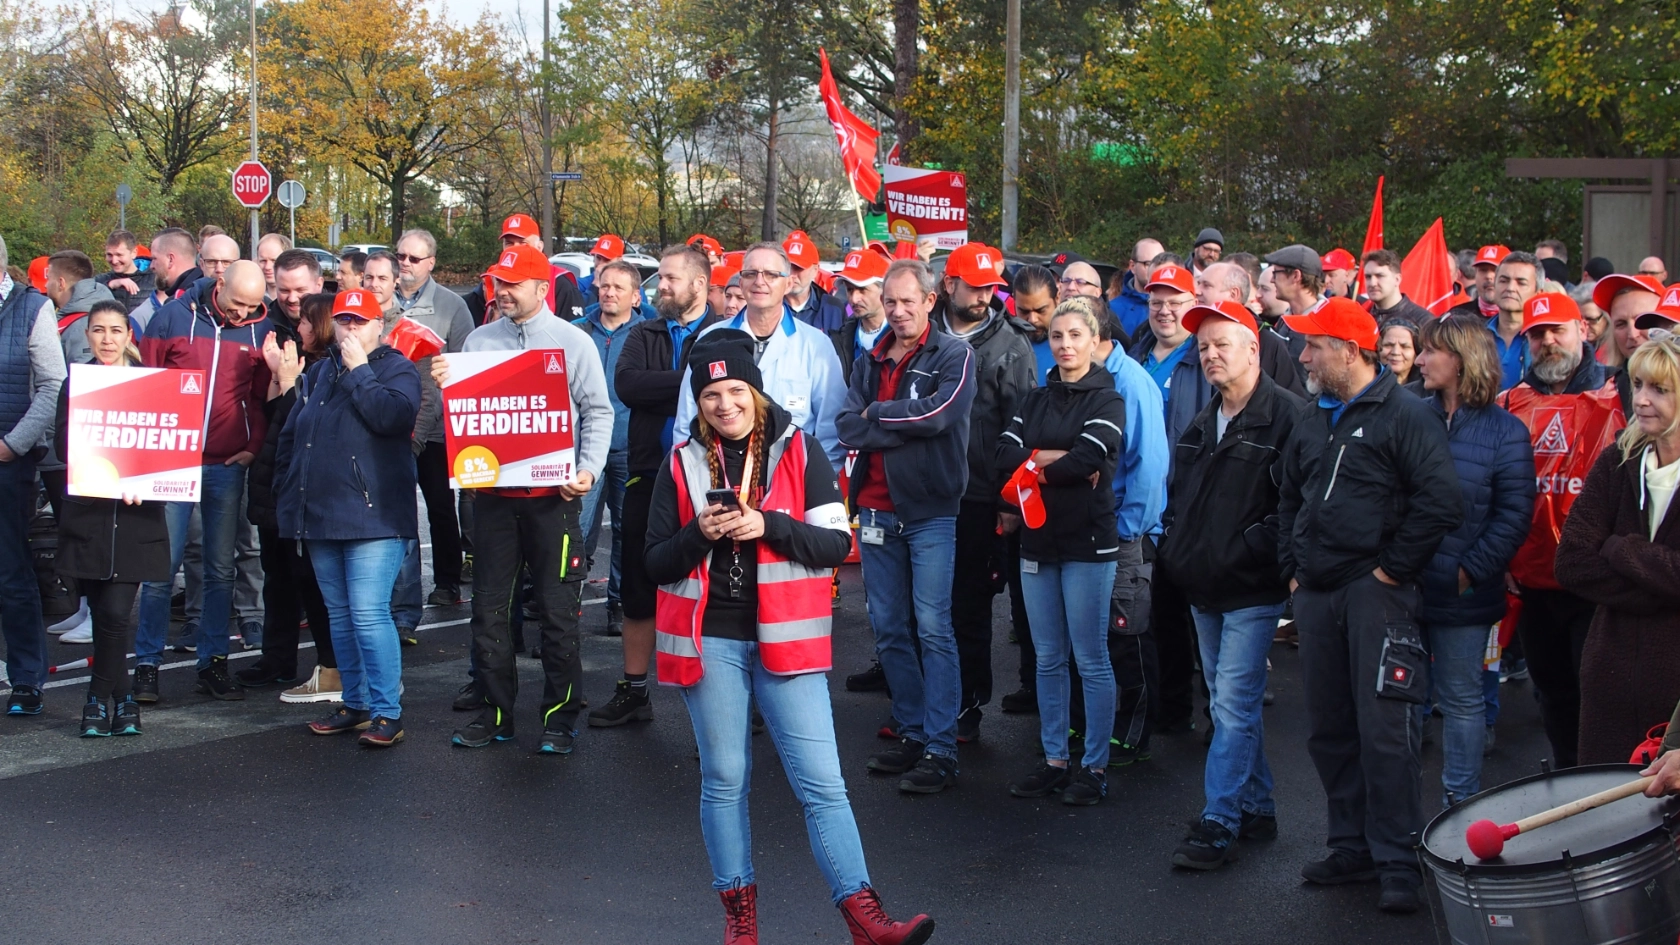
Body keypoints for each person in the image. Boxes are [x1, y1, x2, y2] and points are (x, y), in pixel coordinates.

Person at [644, 331, 933, 945]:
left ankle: (866, 919)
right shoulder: (680, 462)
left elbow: (834, 545)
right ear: (698, 404)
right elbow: (653, 565)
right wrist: (699, 533)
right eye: (712, 396)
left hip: (787, 643)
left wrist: (767, 524)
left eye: (735, 391)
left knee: (824, 785)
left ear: (756, 391)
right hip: (711, 641)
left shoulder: (800, 450)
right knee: (725, 780)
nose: (725, 405)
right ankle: (740, 924)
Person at [1277, 296, 1462, 914]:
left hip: (1374, 593)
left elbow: (1439, 500)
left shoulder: (1405, 415)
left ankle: (1397, 860)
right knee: (1330, 729)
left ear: (1348, 352)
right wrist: (1294, 572)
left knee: (1386, 731)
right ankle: (1349, 846)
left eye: (1314, 345)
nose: (1303, 355)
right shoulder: (1313, 416)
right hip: (1318, 592)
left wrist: (1389, 571)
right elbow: (1288, 498)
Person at [437, 244, 612, 752]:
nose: (503, 292)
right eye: (499, 283)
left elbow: (598, 412)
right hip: (492, 497)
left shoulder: (572, 342)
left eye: (514, 284)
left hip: (552, 498)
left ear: (542, 288)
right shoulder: (478, 340)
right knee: (490, 612)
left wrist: (587, 469)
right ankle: (495, 716)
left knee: (557, 615)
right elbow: (466, 417)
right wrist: (447, 384)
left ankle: (560, 719)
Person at [1161, 299, 1304, 869]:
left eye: (1223, 343)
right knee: (1228, 704)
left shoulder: (1291, 417)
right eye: (1204, 346)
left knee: (1235, 706)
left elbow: (1295, 505)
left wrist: (1251, 549)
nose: (1211, 354)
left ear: (1254, 348)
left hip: (1252, 586)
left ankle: (1219, 818)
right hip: (1203, 584)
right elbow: (1183, 499)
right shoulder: (1203, 420)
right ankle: (1258, 807)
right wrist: (1180, 551)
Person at [836, 258, 977, 795]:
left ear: (929, 300)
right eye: (889, 301)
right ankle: (914, 731)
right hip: (873, 513)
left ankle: (941, 747)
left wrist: (878, 417)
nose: (897, 311)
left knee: (934, 628)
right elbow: (847, 424)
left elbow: (939, 416)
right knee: (891, 629)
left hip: (930, 512)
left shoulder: (954, 353)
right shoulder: (870, 357)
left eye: (906, 301)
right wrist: (889, 419)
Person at [275, 289, 419, 746]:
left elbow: (392, 417)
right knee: (340, 616)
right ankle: (356, 702)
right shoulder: (319, 372)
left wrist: (359, 370)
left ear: (381, 325)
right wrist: (287, 495)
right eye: (343, 321)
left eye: (360, 321)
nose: (350, 329)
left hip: (374, 517)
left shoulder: (396, 367)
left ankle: (386, 711)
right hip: (319, 514)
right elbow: (295, 436)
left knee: (368, 613)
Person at [586, 244, 721, 727]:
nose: (659, 287)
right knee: (640, 582)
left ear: (699, 284)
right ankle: (635, 688)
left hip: (710, 477)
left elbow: (726, 391)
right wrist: (690, 381)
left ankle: (725, 693)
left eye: (669, 279)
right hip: (649, 472)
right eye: (659, 278)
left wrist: (671, 384)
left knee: (717, 586)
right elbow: (627, 386)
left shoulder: (723, 331)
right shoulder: (644, 331)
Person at [999, 298, 1125, 805]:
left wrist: (1036, 464)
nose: (1066, 345)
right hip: (1037, 540)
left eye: (1076, 335)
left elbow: (1089, 459)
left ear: (1094, 341)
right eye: (1057, 336)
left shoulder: (1108, 400)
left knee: (1090, 658)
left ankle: (1093, 766)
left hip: (1089, 543)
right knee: (1048, 657)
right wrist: (1052, 460)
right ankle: (1055, 759)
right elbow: (1003, 457)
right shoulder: (1033, 399)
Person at [135, 260, 271, 703]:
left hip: (226, 462)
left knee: (220, 568)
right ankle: (146, 665)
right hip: (171, 460)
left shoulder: (261, 325)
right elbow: (143, 384)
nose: (243, 314)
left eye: (253, 306)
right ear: (218, 284)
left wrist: (254, 446)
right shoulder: (172, 317)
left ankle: (213, 662)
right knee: (160, 569)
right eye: (237, 304)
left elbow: (262, 393)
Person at [1413, 315, 1535, 804]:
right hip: (1401, 587)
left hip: (1464, 595)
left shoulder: (1506, 431)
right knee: (1401, 703)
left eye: (1430, 352)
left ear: (1461, 361)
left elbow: (1514, 514)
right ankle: (1398, 816)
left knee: (1462, 703)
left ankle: (1457, 810)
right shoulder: (1410, 415)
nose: (1419, 360)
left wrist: (1467, 572)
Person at [1498, 291, 1624, 769]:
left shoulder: (1619, 395)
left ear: (1584, 331)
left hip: (1593, 583)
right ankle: (1568, 775)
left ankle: (1602, 785)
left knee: (1597, 692)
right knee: (1551, 690)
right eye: (1537, 334)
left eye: (1557, 330)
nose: (1548, 342)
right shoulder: (1508, 403)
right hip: (1530, 582)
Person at [1557, 336, 1680, 764]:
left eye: (1660, 390)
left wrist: (1619, 547)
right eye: (1638, 384)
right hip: (1608, 678)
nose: (1642, 400)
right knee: (1606, 818)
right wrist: (1660, 590)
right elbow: (1571, 562)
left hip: (1674, 696)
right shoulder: (1617, 462)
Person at [932, 243, 1035, 743]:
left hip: (977, 498)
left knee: (967, 605)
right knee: (922, 605)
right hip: (924, 492)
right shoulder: (923, 332)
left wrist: (1005, 501)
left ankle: (969, 706)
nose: (984, 297)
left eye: (991, 288)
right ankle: (927, 702)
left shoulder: (1011, 346)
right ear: (948, 284)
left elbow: (1022, 426)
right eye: (974, 287)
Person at [52, 301, 169, 734]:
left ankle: (94, 700)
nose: (106, 339)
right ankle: (123, 702)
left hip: (138, 518)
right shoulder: (75, 383)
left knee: (117, 613)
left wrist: (147, 478)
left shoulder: (152, 385)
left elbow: (167, 448)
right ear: (86, 335)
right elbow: (66, 449)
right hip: (90, 518)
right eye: (98, 330)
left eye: (115, 330)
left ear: (128, 336)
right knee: (103, 615)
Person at [237, 290, 342, 702]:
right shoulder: (295, 365)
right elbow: (274, 415)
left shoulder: (329, 371)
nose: (297, 327)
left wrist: (287, 380)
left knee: (311, 586)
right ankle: (276, 659)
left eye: (305, 321)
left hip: (300, 495)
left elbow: (309, 426)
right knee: (276, 582)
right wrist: (276, 375)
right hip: (273, 486)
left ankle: (330, 667)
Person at [675, 243, 848, 469]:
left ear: (788, 283)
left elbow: (831, 431)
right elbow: (687, 419)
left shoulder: (816, 345)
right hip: (720, 478)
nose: (759, 281)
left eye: (771, 274)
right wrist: (692, 479)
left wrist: (814, 487)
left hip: (792, 483)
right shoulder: (711, 339)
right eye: (750, 274)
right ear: (742, 281)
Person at [393, 228, 475, 608]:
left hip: (438, 429)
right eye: (401, 256)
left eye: (413, 258)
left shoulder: (452, 306)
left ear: (431, 263)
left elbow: (465, 365)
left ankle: (447, 581)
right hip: (389, 422)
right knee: (392, 507)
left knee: (440, 507)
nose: (404, 264)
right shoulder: (382, 301)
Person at [0, 232, 62, 717]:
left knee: (11, 572)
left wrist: (11, 445)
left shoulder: (31, 307)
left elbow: (51, 385)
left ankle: (26, 678)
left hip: (9, 460)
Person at [574, 258, 652, 638]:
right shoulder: (575, 332)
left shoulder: (648, 334)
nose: (609, 292)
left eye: (619, 287)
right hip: (583, 447)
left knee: (626, 531)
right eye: (605, 285)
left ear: (636, 296)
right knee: (573, 528)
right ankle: (562, 607)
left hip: (627, 446)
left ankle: (618, 605)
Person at [1196, 261, 1307, 396]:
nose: (1197, 291)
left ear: (1233, 294)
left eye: (1206, 285)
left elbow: (1290, 404)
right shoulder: (1190, 332)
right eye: (1203, 348)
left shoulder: (1268, 342)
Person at [462, 214, 585, 322]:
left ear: (539, 246)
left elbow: (573, 336)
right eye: (509, 243)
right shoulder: (491, 278)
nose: (515, 248)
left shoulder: (560, 282)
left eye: (523, 242)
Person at [828, 249, 890, 385]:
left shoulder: (904, 338)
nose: (854, 299)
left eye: (862, 290)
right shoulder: (837, 339)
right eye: (849, 290)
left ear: (884, 289)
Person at [1483, 252, 1543, 389]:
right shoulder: (1475, 336)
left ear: (1538, 293)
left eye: (1521, 283)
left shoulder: (1547, 342)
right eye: (1503, 281)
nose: (1510, 288)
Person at [783, 232, 847, 332]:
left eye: (799, 268)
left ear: (815, 270)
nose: (792, 274)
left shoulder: (834, 310)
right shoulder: (765, 305)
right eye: (787, 267)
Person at [1361, 249, 1432, 328]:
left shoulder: (1422, 321)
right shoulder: (1360, 316)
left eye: (1379, 276)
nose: (1372, 283)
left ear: (1397, 279)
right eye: (1368, 277)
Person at [1012, 264, 1060, 379]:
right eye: (1024, 311)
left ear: (1057, 298)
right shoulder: (1002, 346)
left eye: (1041, 310)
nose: (1032, 320)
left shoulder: (1076, 346)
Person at [1110, 238, 1164, 338]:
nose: (1156, 270)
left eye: (1160, 264)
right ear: (1133, 266)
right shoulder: (1112, 310)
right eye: (1148, 264)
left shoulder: (1176, 308)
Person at [95, 229, 157, 316]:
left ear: (133, 253)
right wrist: (110, 285)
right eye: (109, 255)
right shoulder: (100, 281)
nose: (114, 260)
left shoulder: (154, 280)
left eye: (119, 255)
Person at [1446, 245, 1510, 319]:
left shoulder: (1524, 319)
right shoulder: (1456, 316)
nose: (1488, 276)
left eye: (1495, 270)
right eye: (1483, 270)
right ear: (1475, 274)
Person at [1379, 320, 1424, 393]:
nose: (1395, 352)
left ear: (1416, 353)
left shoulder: (1427, 390)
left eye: (1404, 346)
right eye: (1388, 345)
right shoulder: (1364, 386)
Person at [257, 233, 292, 298]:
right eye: (263, 261)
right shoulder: (252, 300)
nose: (267, 267)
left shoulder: (298, 302)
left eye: (274, 261)